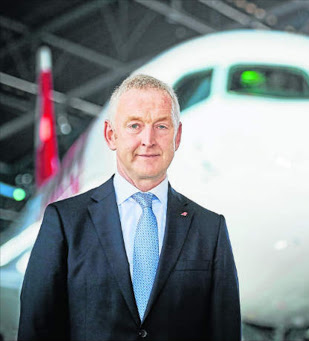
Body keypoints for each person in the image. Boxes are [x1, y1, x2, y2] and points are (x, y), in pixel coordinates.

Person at [18, 74, 241, 340]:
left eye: (161, 126)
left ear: (177, 136)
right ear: (111, 135)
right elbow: (37, 329)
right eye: (135, 125)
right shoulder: (65, 222)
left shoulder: (210, 229)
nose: (148, 140)